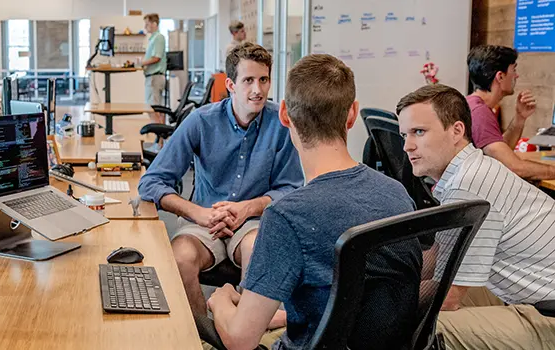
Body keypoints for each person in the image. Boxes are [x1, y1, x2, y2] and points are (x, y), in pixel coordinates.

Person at [207, 53, 423, 350]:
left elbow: (240, 339)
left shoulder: (287, 216)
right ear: (351, 114)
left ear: (284, 115)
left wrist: (220, 301)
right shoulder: (397, 194)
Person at [138, 42, 303, 333]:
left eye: (263, 80)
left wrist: (248, 207)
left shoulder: (281, 124)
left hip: (252, 222)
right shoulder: (201, 121)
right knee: (180, 257)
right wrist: (197, 213)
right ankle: (203, 333)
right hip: (204, 221)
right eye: (248, 80)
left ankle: (243, 332)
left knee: (258, 249)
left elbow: (290, 188)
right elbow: (151, 182)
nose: (257, 90)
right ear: (230, 84)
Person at [397, 84, 555, 349]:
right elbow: (439, 256)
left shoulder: (467, 185)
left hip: (544, 315)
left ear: (457, 131)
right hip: (530, 299)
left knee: (427, 326)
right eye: (404, 135)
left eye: (419, 132)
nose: (407, 146)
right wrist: (383, 275)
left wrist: (380, 303)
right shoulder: (470, 170)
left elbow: (449, 298)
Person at [466, 45, 554, 180]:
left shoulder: (474, 104)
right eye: (514, 69)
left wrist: (520, 118)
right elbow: (514, 167)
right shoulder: (479, 113)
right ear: (500, 76)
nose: (516, 75)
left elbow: (501, 153)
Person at [142, 13, 167, 124]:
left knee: (153, 109)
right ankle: (160, 138)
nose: (145, 27)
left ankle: (159, 138)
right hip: (152, 77)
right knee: (155, 109)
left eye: (147, 24)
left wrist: (142, 63)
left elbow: (156, 57)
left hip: (155, 77)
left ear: (154, 24)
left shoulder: (158, 38)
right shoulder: (153, 39)